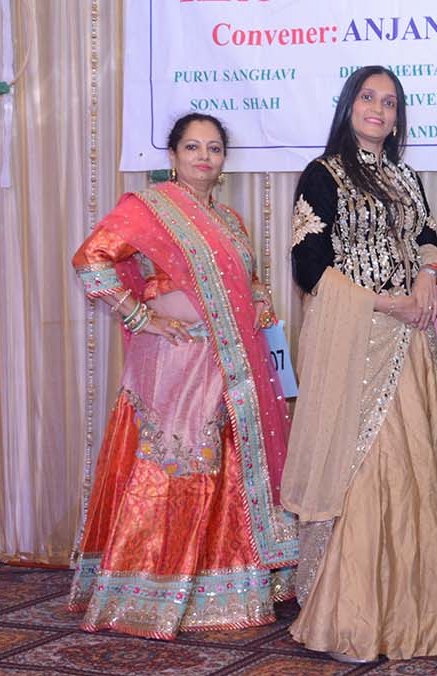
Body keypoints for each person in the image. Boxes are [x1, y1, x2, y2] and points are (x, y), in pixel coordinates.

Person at [70, 113, 297, 637]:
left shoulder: (230, 219)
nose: (204, 157)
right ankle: (155, 588)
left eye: (214, 148)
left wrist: (261, 302)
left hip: (233, 361)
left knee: (228, 469)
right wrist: (139, 316)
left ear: (223, 160)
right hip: (176, 360)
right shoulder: (149, 208)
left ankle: (224, 585)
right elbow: (90, 259)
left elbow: (247, 280)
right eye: (192, 147)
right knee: (180, 464)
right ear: (172, 156)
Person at [281, 65, 437, 662]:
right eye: (368, 97)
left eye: (390, 102)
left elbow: (430, 240)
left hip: (409, 340)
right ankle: (349, 615)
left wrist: (425, 280)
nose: (379, 110)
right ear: (348, 105)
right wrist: (383, 302)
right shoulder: (323, 174)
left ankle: (409, 613)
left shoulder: (407, 177)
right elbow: (308, 264)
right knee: (361, 467)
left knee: (412, 468)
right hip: (356, 340)